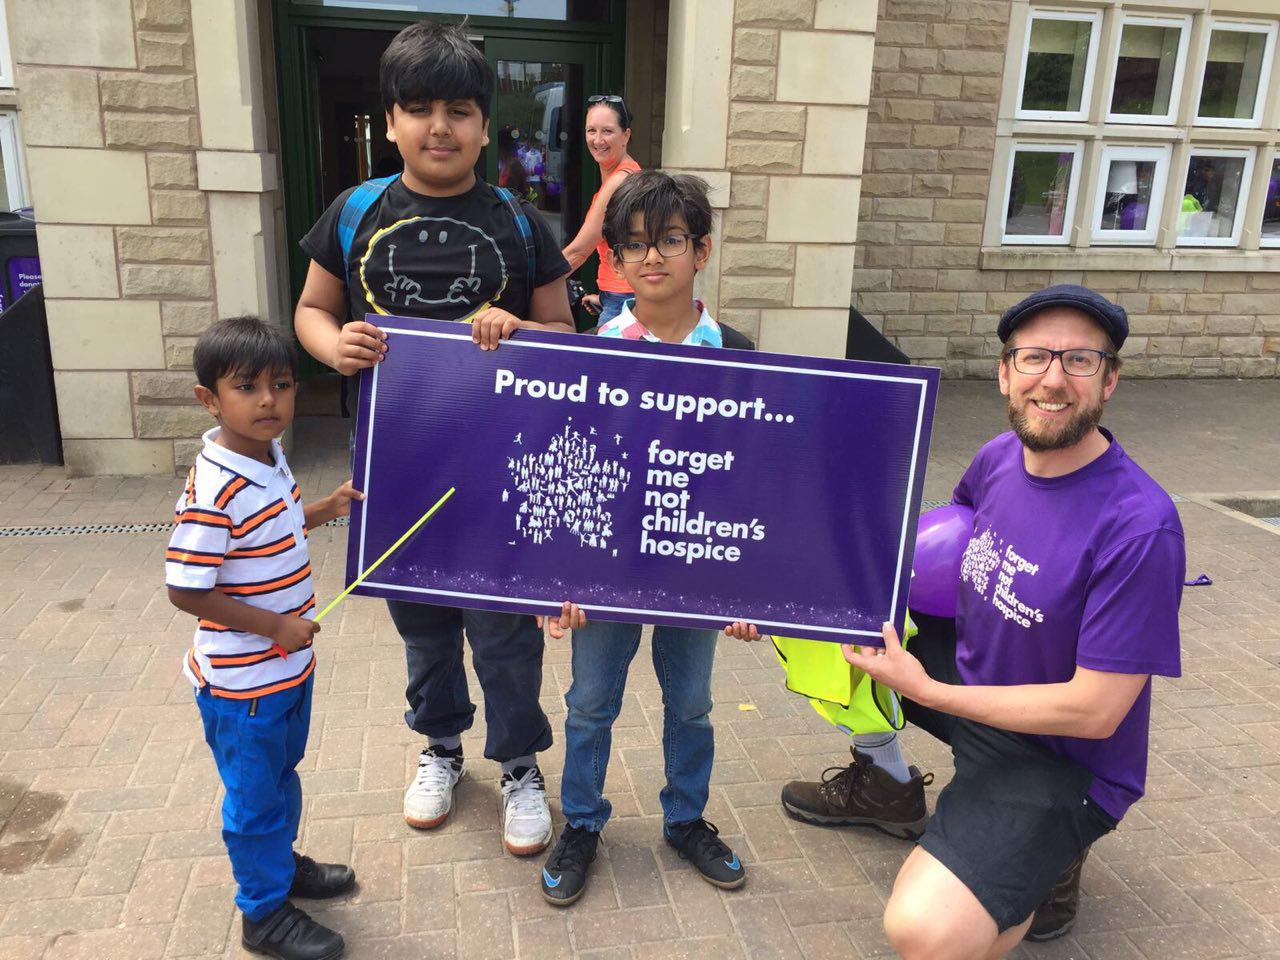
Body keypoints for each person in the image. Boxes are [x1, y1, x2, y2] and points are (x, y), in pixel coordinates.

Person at [292, 20, 576, 857]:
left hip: (502, 472)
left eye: (458, 109)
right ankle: (442, 748)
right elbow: (312, 308)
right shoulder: (354, 213)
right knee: (421, 626)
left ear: (486, 126)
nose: (439, 127)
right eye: (418, 109)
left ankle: (520, 763)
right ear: (390, 122)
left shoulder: (522, 223)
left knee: (503, 629)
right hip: (398, 465)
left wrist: (520, 323)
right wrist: (330, 343)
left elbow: (564, 334)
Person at [841, 285, 1185, 959]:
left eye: (1079, 360)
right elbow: (942, 542)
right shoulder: (999, 455)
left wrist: (925, 690)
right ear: (1005, 372)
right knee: (825, 619)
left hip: (1058, 760)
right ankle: (886, 784)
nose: (1052, 379)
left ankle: (1045, 862)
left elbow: (1094, 713)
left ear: (1109, 380)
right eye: (1034, 357)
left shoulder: (1141, 527)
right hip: (977, 678)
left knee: (923, 931)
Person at [537, 170, 753, 907]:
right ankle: (583, 824)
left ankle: (686, 818)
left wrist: (752, 585)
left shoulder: (742, 355)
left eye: (668, 240)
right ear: (617, 263)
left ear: (702, 250)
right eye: (634, 246)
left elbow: (756, 482)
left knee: (690, 702)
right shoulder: (593, 356)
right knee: (591, 700)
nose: (651, 257)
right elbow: (573, 468)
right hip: (608, 567)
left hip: (697, 567)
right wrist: (557, 577)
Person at [166, 316, 364, 960]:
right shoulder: (215, 484)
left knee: (281, 776)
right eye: (246, 387)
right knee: (253, 800)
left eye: (281, 385)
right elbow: (186, 588)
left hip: (285, 673)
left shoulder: (269, 458)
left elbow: (275, 523)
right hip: (243, 686)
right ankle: (263, 914)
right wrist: (277, 626)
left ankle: (280, 867)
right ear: (209, 399)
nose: (268, 400)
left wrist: (323, 511)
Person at [560, 94, 641, 325]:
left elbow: (577, 253)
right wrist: (603, 298)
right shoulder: (628, 174)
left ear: (626, 135)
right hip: (619, 297)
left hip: (623, 300)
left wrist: (530, 286)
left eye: (607, 131)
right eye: (591, 130)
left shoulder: (619, 182)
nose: (597, 140)